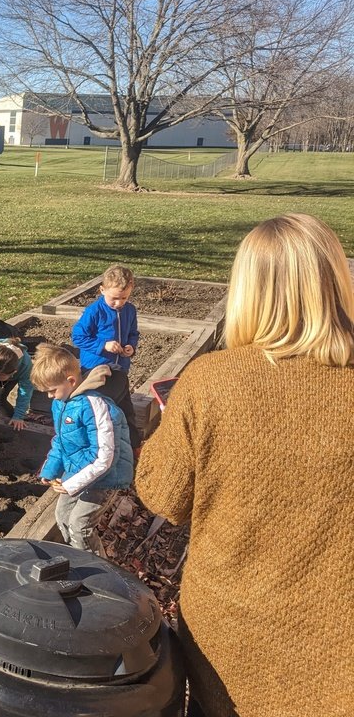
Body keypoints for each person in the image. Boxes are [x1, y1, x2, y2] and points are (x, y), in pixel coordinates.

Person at [135, 213, 354, 717]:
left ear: (247, 290)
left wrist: (168, 431)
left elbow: (163, 495)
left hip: (231, 636)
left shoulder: (211, 382)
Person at [30, 343, 133, 552]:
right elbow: (62, 439)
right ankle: (76, 555)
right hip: (79, 472)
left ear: (70, 381)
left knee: (80, 526)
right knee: (62, 516)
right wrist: (50, 469)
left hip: (105, 478)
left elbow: (105, 458)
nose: (49, 396)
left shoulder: (95, 405)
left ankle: (99, 573)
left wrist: (71, 484)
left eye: (51, 391)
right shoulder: (62, 402)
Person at [71, 264, 141, 448]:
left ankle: (134, 445)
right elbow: (78, 336)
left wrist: (130, 347)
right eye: (114, 299)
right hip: (96, 370)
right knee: (99, 410)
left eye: (124, 298)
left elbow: (133, 333)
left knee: (126, 408)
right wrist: (103, 345)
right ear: (102, 290)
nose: (119, 303)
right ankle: (96, 446)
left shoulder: (130, 310)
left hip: (120, 369)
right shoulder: (94, 311)